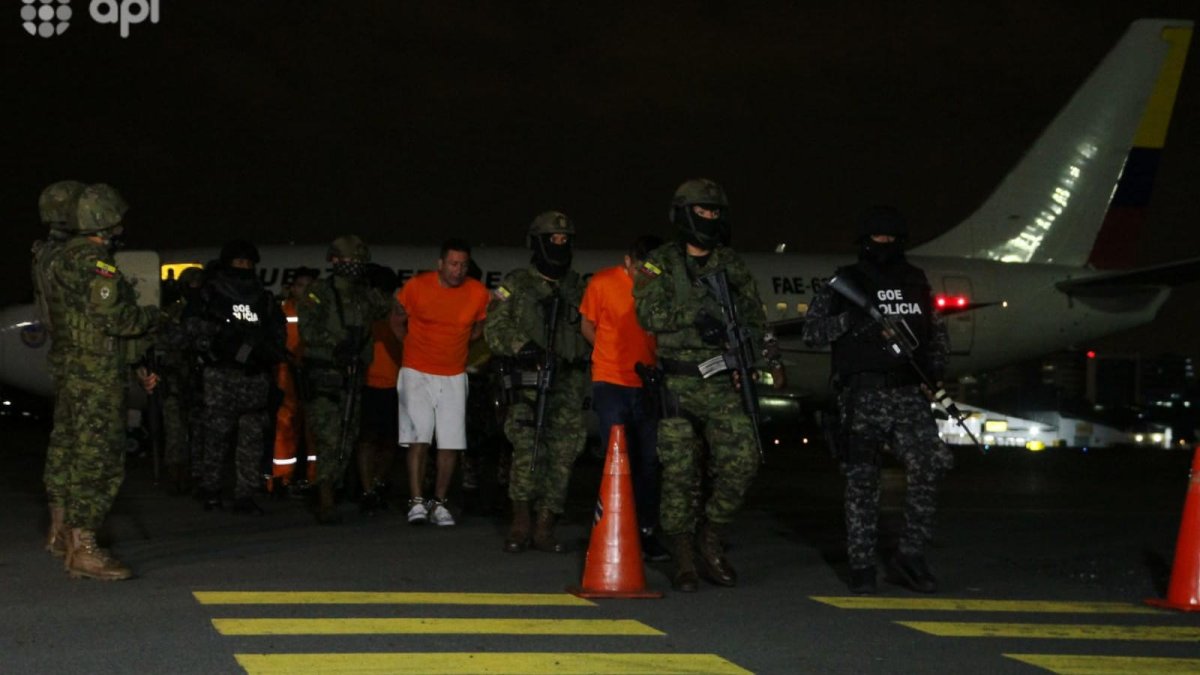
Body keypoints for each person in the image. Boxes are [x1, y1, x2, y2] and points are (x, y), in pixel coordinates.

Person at [801, 206, 953, 594]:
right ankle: (862, 564)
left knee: (930, 463)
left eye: (891, 238)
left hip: (908, 392)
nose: (884, 243)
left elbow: (935, 333)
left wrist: (934, 373)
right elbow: (812, 333)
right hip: (863, 395)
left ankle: (910, 556)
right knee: (862, 480)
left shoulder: (916, 281)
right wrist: (851, 321)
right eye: (877, 237)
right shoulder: (844, 283)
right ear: (864, 241)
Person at [632, 179, 772, 592]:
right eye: (701, 212)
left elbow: (753, 316)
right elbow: (648, 314)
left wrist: (748, 358)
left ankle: (710, 538)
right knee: (679, 473)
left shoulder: (731, 263)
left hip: (722, 381)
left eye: (714, 212)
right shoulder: (659, 262)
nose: (708, 218)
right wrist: (696, 315)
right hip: (677, 382)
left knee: (743, 459)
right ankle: (683, 555)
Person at [33, 182, 161, 580]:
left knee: (69, 447)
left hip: (72, 367)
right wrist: (153, 318)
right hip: (96, 373)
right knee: (99, 457)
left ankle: (61, 533)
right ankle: (84, 546)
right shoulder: (93, 261)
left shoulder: (53, 257)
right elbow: (116, 319)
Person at [485, 211, 591, 553]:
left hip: (569, 382)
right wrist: (524, 348)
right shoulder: (516, 284)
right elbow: (494, 327)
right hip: (528, 382)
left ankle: (546, 525)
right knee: (526, 452)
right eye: (552, 239)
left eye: (564, 240)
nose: (559, 245)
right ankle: (520, 522)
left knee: (563, 455)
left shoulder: (579, 287)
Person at [579, 234, 669, 561]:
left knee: (648, 461)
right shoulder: (603, 283)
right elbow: (587, 325)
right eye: (638, 268)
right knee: (616, 459)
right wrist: (606, 354)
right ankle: (614, 529)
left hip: (646, 383)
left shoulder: (660, 286)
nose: (643, 275)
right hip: (611, 382)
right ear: (627, 261)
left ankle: (646, 530)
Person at [297, 235, 395, 523]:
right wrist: (335, 345)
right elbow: (308, 329)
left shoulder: (364, 294)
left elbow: (389, 306)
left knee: (347, 437)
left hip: (353, 379)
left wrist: (379, 283)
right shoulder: (320, 291)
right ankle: (325, 497)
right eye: (349, 259)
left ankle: (333, 487)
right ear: (335, 260)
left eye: (358, 261)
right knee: (328, 438)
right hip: (325, 375)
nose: (354, 265)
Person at [393, 239, 490, 526]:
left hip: (454, 375)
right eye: (453, 264)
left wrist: (458, 345)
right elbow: (396, 321)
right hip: (416, 372)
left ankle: (439, 502)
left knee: (451, 442)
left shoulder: (478, 292)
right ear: (440, 263)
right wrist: (411, 350)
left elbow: (479, 327)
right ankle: (416, 501)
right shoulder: (417, 286)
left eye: (463, 265)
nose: (458, 270)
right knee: (418, 438)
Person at [187, 240, 287, 514]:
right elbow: (191, 328)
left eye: (248, 262)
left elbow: (278, 335)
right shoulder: (211, 294)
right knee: (216, 436)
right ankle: (211, 490)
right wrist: (220, 339)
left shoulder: (263, 299)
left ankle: (245, 494)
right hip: (221, 375)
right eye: (239, 262)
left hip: (253, 378)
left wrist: (262, 351)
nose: (244, 267)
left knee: (251, 440)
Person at [357, 263, 404, 515]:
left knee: (387, 441)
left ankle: (375, 485)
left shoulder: (396, 311)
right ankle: (368, 489)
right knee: (370, 440)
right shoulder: (364, 312)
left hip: (394, 385)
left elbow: (404, 342)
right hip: (369, 384)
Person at [269, 266, 320, 494]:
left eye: (310, 286)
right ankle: (281, 479)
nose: (305, 291)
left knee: (315, 428)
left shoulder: (322, 311)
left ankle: (315, 480)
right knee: (285, 426)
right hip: (286, 372)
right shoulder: (281, 311)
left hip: (314, 372)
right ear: (291, 288)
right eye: (300, 285)